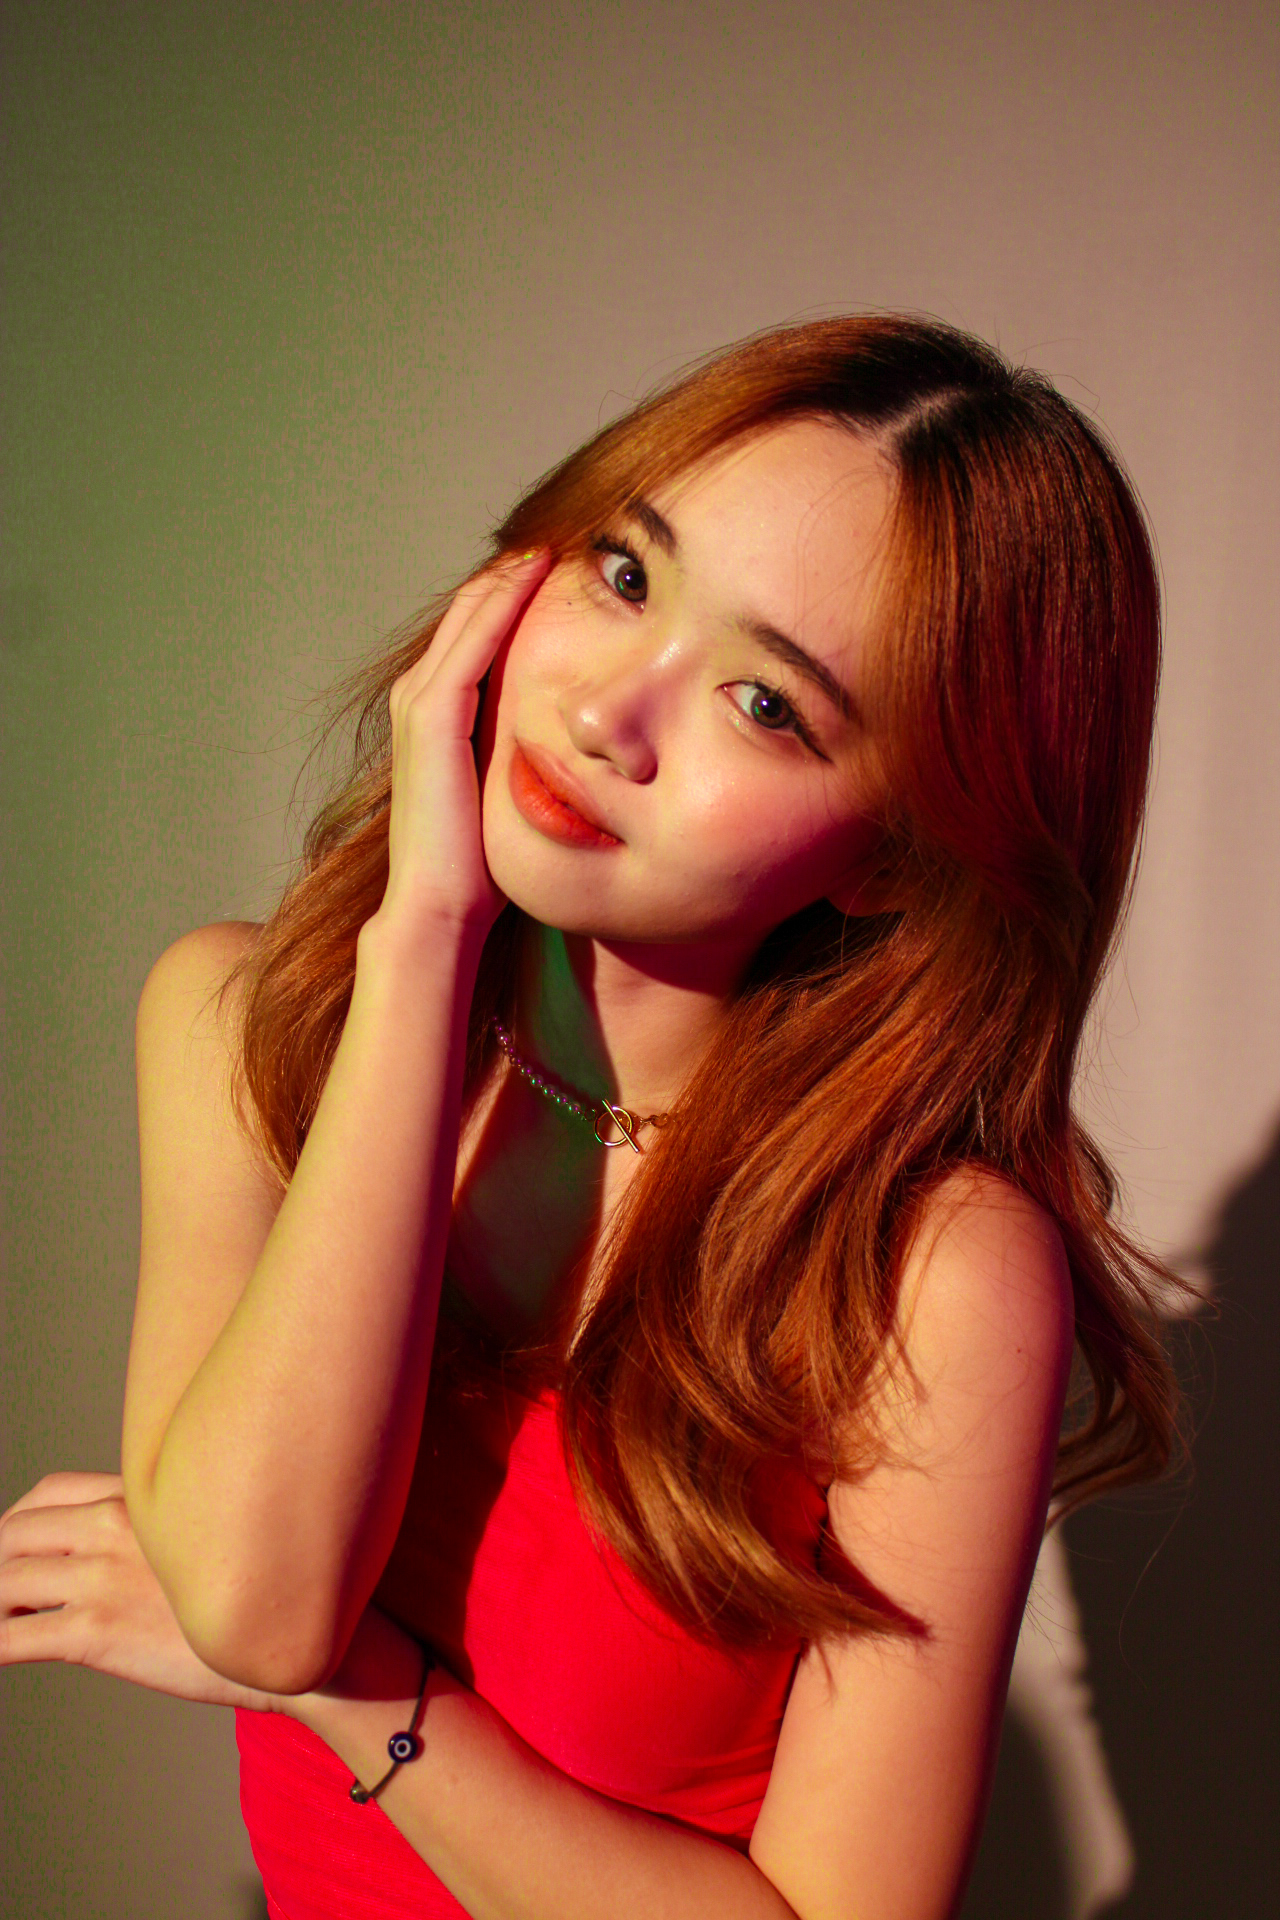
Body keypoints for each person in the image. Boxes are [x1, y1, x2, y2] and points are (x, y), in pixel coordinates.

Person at [0, 315, 1181, 1920]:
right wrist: (423, 937)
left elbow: (264, 1639)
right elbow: (263, 1597)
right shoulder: (247, 1031)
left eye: (764, 701)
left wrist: (363, 1699)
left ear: (895, 857)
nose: (608, 713)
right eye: (625, 575)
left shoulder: (928, 1270)